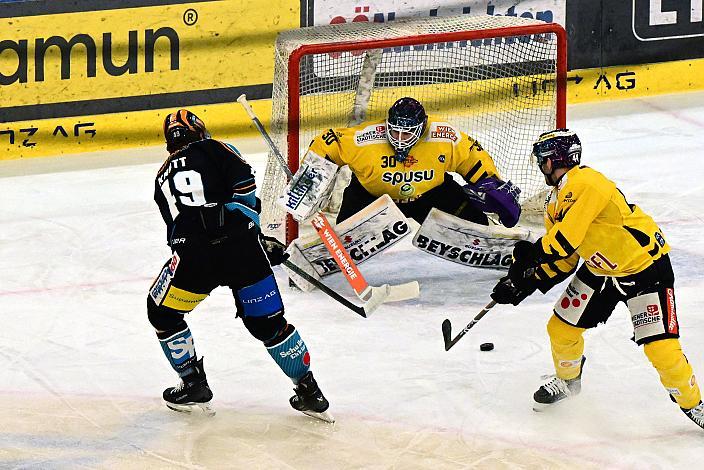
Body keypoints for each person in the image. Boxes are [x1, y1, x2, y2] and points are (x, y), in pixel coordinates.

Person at [490, 128, 703, 430]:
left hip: (644, 270)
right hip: (601, 270)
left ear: (553, 160)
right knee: (560, 329)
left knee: (661, 350)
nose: (540, 166)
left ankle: (694, 402)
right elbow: (565, 260)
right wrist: (525, 282)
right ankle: (568, 382)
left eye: (542, 159)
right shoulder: (554, 202)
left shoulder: (587, 183)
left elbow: (563, 241)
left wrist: (531, 255)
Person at [147, 109, 333, 422]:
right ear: (201, 131)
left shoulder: (161, 176)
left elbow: (175, 229)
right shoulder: (217, 148)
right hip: (241, 252)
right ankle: (309, 391)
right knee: (268, 325)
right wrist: (255, 238)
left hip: (194, 259)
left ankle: (193, 384)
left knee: (162, 313)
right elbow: (245, 192)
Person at [305, 97, 521, 228]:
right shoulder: (365, 138)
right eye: (395, 131)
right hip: (372, 197)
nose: (399, 139)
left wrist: (491, 183)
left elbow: (472, 157)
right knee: (344, 239)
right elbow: (328, 142)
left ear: (421, 128)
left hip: (430, 196)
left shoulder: (443, 136)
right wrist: (308, 181)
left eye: (407, 134)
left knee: (479, 227)